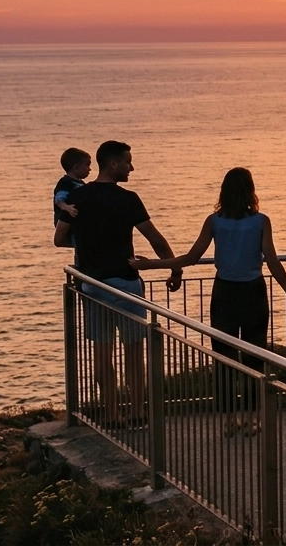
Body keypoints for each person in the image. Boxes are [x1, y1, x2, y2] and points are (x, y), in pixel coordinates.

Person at [130, 168, 286, 434]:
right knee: (254, 356)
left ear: (223, 191)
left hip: (224, 293)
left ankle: (229, 419)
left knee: (223, 358)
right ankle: (252, 418)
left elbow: (191, 257)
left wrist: (154, 264)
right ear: (251, 190)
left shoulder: (214, 221)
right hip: (253, 293)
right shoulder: (261, 221)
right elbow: (271, 262)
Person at [54, 141, 182, 427]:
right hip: (125, 285)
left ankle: (112, 414)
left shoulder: (78, 198)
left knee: (102, 352)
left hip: (92, 285)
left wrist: (88, 244)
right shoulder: (128, 199)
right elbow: (156, 239)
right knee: (134, 351)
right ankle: (137, 412)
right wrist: (174, 270)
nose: (131, 167)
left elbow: (59, 237)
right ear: (113, 164)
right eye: (128, 162)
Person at [53, 147, 91, 240]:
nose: (89, 169)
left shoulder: (81, 183)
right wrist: (67, 208)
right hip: (67, 223)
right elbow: (59, 199)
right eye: (87, 165)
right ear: (76, 167)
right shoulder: (65, 182)